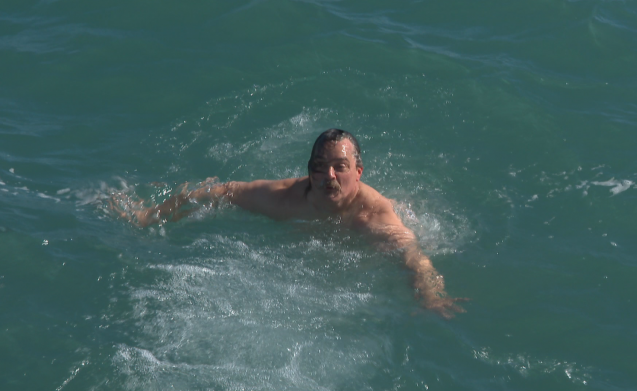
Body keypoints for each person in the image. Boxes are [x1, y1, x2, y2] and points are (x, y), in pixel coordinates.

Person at [112, 129, 466, 318]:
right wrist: (151, 215)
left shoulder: (372, 216)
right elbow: (219, 192)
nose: (328, 175)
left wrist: (431, 295)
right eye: (318, 166)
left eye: (340, 167)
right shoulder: (285, 200)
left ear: (358, 172)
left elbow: (412, 254)